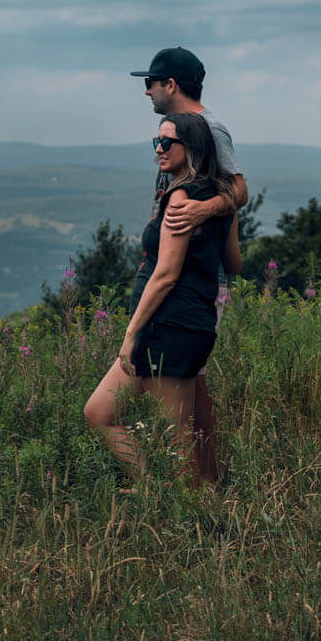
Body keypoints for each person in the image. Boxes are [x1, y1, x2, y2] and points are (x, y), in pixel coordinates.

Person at [84, 113, 242, 487]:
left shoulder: (181, 197)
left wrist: (130, 333)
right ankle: (158, 493)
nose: (159, 149)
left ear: (193, 147)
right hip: (187, 325)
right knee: (99, 412)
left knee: (179, 446)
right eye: (156, 142)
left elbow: (166, 273)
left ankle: (200, 520)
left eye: (168, 142)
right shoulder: (222, 199)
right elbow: (234, 263)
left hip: (168, 327)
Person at [129, 47, 247, 481]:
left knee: (180, 407)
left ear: (171, 85)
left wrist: (203, 209)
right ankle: (209, 485)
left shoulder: (208, 128)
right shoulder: (182, 132)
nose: (147, 92)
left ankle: (191, 491)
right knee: (192, 399)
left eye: (151, 83)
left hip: (193, 288)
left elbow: (239, 189)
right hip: (194, 285)